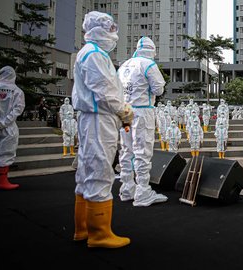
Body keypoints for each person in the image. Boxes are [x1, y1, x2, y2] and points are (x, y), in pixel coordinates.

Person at [72, 11, 132, 248]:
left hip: (93, 119)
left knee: (86, 172)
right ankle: (99, 233)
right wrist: (124, 110)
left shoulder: (88, 53)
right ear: (99, 30)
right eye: (110, 30)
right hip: (100, 119)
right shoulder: (95, 55)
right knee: (100, 170)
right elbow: (105, 92)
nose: (113, 35)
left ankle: (82, 228)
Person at [117, 36, 167, 207]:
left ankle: (127, 187)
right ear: (152, 50)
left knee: (126, 149)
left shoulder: (124, 65)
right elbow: (158, 89)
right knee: (142, 150)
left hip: (125, 111)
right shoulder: (148, 65)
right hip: (142, 110)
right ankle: (143, 190)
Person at [0, 66, 25, 190]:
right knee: (5, 153)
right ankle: (0, 180)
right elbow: (18, 109)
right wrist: (4, 122)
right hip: (9, 128)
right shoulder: (17, 91)